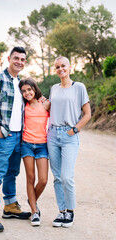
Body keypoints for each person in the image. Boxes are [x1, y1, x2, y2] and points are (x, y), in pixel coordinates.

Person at [0, 46, 31, 233]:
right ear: (9, 58)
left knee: (12, 172)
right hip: (4, 135)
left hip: (20, 136)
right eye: (16, 58)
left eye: (22, 59)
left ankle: (10, 206)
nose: (19, 61)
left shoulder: (21, 84)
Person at [47, 56, 91, 228]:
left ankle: (70, 212)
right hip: (52, 135)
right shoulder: (53, 88)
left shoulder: (79, 87)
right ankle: (62, 211)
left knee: (66, 176)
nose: (60, 69)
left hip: (69, 135)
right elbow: (49, 108)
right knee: (57, 177)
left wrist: (74, 129)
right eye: (57, 67)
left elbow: (87, 114)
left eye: (63, 66)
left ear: (70, 67)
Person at [18, 78, 50, 226]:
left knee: (43, 180)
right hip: (27, 144)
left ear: (35, 89)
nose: (27, 93)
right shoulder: (23, 106)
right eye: (24, 91)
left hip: (42, 145)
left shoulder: (46, 104)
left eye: (29, 90)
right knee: (30, 177)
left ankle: (32, 200)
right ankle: (34, 211)